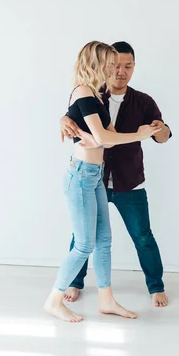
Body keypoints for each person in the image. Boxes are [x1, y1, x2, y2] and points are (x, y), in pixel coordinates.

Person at [43, 41, 160, 322]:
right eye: (109, 63)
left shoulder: (94, 95)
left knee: (104, 240)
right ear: (96, 63)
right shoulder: (84, 92)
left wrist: (102, 136)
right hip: (82, 174)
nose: (113, 68)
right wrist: (138, 134)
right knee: (84, 244)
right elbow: (107, 139)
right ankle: (54, 300)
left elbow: (106, 135)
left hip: (95, 175)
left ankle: (106, 300)